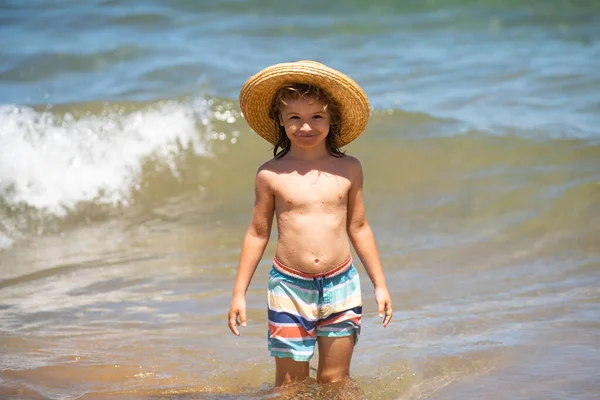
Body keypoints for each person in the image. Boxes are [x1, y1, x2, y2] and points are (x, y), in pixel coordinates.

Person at [228, 60, 392, 387]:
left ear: (332, 119)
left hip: (341, 284)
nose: (306, 127)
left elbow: (359, 227)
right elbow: (258, 233)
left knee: (336, 381)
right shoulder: (270, 174)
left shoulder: (349, 169)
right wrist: (239, 293)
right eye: (295, 118)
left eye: (317, 116)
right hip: (289, 287)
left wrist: (380, 284)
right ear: (281, 122)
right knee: (291, 385)